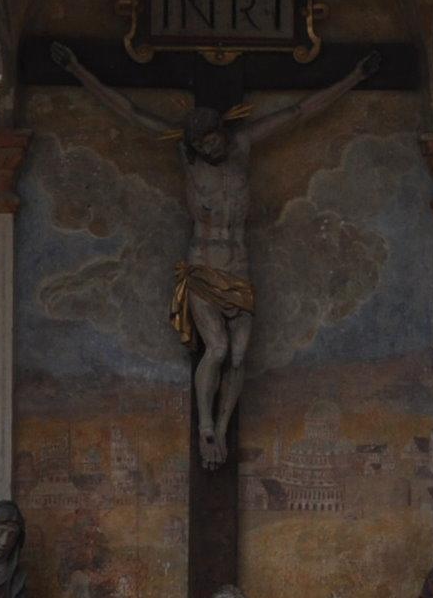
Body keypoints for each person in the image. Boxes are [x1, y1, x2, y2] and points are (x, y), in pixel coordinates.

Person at [47, 43, 377, 468]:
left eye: (215, 138)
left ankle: (222, 431)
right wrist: (77, 68)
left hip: (238, 270)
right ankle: (206, 426)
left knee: (240, 357)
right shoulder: (188, 162)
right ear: (194, 147)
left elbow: (298, 113)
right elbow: (128, 112)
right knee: (217, 350)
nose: (213, 147)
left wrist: (354, 79)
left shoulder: (242, 146)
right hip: (203, 268)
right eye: (203, 144)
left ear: (224, 131)